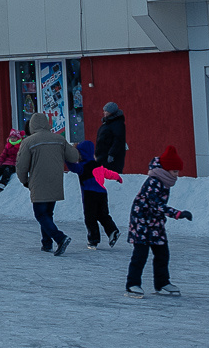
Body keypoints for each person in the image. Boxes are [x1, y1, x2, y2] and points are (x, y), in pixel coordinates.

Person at [125, 146, 191, 295]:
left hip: (155, 224)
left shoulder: (164, 181)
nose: (177, 175)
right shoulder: (154, 182)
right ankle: (132, 284)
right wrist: (177, 214)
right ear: (166, 170)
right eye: (175, 171)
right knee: (140, 255)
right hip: (141, 222)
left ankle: (162, 283)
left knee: (162, 253)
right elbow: (156, 205)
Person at [15, 112, 82, 255]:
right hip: (55, 181)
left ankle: (60, 238)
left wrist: (24, 181)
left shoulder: (28, 142)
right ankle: (46, 243)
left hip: (38, 182)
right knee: (48, 214)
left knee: (40, 214)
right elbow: (74, 156)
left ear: (32, 126)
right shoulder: (59, 139)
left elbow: (21, 166)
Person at [77, 139, 121, 248]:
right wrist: (117, 176)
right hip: (102, 193)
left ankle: (93, 239)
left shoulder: (81, 166)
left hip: (89, 194)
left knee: (90, 217)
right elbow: (107, 173)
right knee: (103, 215)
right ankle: (112, 231)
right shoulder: (98, 165)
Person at [95, 102, 127, 174]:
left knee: (111, 178)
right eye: (104, 110)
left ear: (111, 112)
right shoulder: (107, 123)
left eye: (106, 111)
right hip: (102, 156)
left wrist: (111, 154)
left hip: (111, 158)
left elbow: (118, 140)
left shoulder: (117, 124)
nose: (104, 112)